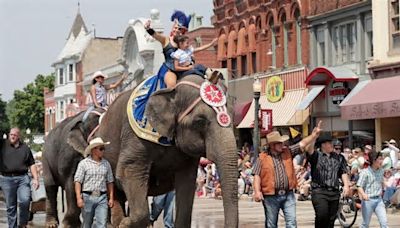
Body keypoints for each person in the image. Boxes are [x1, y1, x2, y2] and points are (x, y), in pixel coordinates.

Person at [252, 128, 320, 228]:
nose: (282, 145)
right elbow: (256, 175)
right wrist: (257, 191)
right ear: (272, 145)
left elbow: (302, 144)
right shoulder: (262, 157)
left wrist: (313, 135)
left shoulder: (288, 151)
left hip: (288, 194)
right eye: (279, 143)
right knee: (271, 224)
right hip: (270, 196)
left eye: (282, 143)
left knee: (292, 222)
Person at [306, 122, 351, 228]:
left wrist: (346, 185)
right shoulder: (316, 156)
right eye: (329, 143)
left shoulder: (339, 157)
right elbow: (309, 149)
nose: (332, 145)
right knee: (322, 216)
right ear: (322, 145)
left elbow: (343, 172)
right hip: (319, 191)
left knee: (331, 220)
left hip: (334, 192)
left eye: (331, 142)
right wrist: (314, 137)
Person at [0, 128, 39, 228]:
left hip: (23, 178)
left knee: (25, 200)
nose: (12, 136)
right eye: (11, 134)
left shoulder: (25, 148)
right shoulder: (3, 145)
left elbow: (32, 164)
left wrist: (35, 178)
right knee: (10, 206)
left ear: (19, 136)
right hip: (6, 179)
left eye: (14, 135)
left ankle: (22, 224)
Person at [74, 137, 115, 228]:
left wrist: (111, 198)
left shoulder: (106, 164)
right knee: (87, 223)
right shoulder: (83, 164)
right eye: (101, 149)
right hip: (87, 197)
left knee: (102, 224)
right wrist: (78, 198)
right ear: (93, 150)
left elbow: (110, 181)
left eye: (103, 148)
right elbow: (78, 181)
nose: (103, 151)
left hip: (102, 197)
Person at [357, 150, 388, 228]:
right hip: (368, 201)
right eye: (380, 158)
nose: (382, 161)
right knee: (365, 224)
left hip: (379, 201)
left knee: (384, 223)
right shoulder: (365, 172)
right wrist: (363, 194)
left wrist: (386, 183)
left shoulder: (381, 170)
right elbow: (359, 185)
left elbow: (381, 180)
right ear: (374, 160)